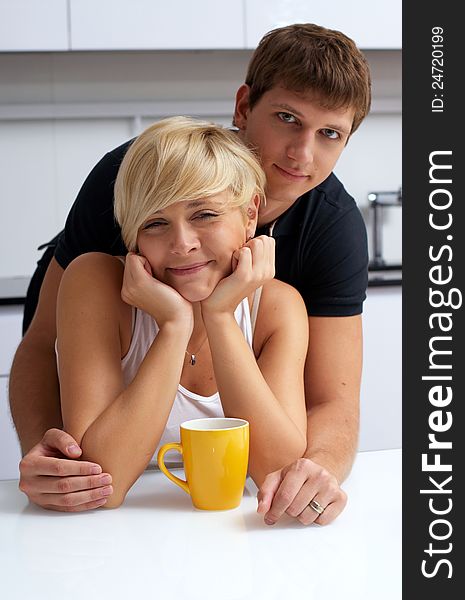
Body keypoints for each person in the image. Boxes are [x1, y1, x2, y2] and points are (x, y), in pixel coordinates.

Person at [11, 23, 371, 525]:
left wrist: (314, 473)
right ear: (244, 107)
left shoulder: (328, 232)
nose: (301, 154)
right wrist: (54, 461)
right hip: (108, 402)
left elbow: (333, 401)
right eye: (287, 119)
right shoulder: (138, 176)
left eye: (330, 133)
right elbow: (39, 345)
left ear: (249, 217)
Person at [54, 116, 308, 509]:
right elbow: (101, 481)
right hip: (112, 539)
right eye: (155, 223)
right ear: (132, 237)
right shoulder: (94, 284)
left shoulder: (277, 308)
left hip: (230, 534)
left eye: (204, 215)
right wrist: (174, 325)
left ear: (251, 213)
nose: (182, 243)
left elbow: (279, 474)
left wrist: (221, 317)